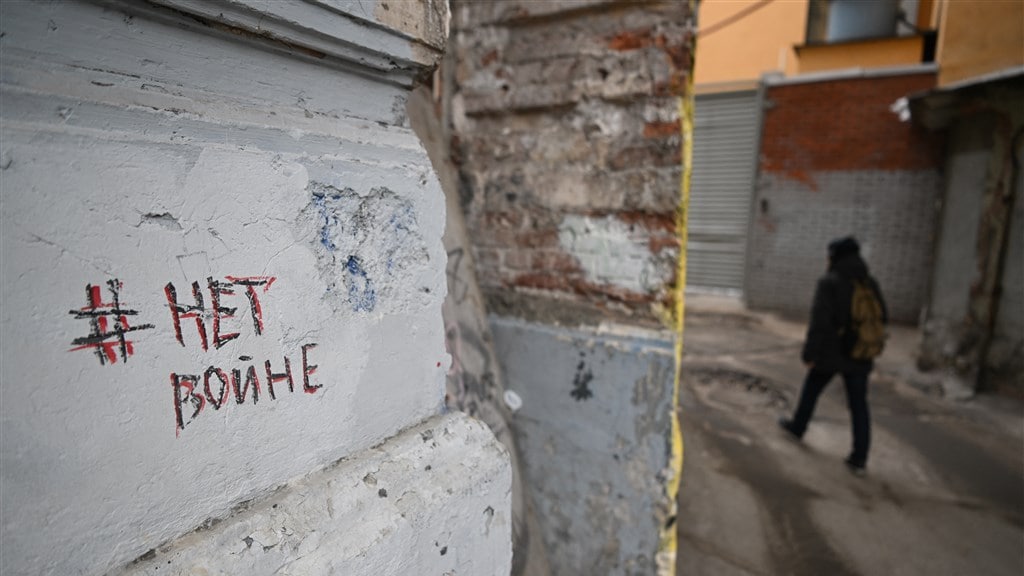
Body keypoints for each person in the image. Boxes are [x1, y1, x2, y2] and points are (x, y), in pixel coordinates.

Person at [779, 236, 887, 476]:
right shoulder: (869, 283)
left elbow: (820, 322)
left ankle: (797, 428)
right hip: (860, 353)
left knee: (811, 390)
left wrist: (810, 353)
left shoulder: (830, 282)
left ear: (835, 257)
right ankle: (859, 458)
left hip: (832, 352)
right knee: (859, 405)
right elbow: (883, 317)